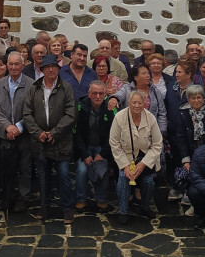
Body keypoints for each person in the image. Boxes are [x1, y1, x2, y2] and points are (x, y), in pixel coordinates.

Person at [23, 57, 77, 223]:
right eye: (47, 67)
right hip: (40, 142)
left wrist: (55, 132)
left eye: (54, 67)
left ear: (58, 69)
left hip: (61, 141)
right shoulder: (34, 88)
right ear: (42, 69)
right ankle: (44, 208)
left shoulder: (66, 87)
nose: (51, 70)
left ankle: (67, 209)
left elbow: (71, 114)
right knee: (43, 177)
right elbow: (27, 113)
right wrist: (37, 132)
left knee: (64, 175)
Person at [110, 89, 163, 225]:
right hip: (126, 158)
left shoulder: (150, 118)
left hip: (145, 159)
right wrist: (125, 165)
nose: (137, 105)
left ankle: (145, 207)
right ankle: (123, 210)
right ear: (129, 103)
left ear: (144, 103)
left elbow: (157, 144)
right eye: (134, 102)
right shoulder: (120, 117)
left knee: (148, 181)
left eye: (140, 102)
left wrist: (143, 164)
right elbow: (114, 143)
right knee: (123, 178)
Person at [0, 52, 35, 212]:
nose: (13, 67)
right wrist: (7, 127)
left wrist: (18, 126)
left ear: (23, 66)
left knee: (24, 168)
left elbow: (32, 109)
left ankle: (23, 198)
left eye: (17, 64)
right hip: (5, 134)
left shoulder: (31, 84)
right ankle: (6, 198)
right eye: (10, 64)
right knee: (6, 169)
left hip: (23, 135)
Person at [173, 83, 205, 213]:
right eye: (193, 98)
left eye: (199, 97)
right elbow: (181, 138)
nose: (196, 101)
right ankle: (196, 205)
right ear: (188, 100)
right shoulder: (183, 114)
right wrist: (186, 159)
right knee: (195, 179)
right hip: (193, 151)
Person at [74, 80, 115, 213]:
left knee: (101, 168)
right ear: (89, 94)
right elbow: (76, 133)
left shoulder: (110, 108)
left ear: (105, 94)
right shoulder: (80, 107)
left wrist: (102, 154)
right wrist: (85, 154)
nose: (98, 96)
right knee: (81, 170)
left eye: (101, 93)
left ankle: (101, 199)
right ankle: (81, 198)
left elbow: (113, 135)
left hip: (102, 147)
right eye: (94, 93)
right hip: (84, 146)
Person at [113, 64, 168, 139]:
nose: (148, 75)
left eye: (148, 73)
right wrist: (114, 99)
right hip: (130, 130)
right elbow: (119, 95)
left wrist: (162, 131)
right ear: (136, 77)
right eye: (143, 73)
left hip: (151, 131)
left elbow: (162, 112)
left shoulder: (155, 91)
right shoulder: (127, 89)